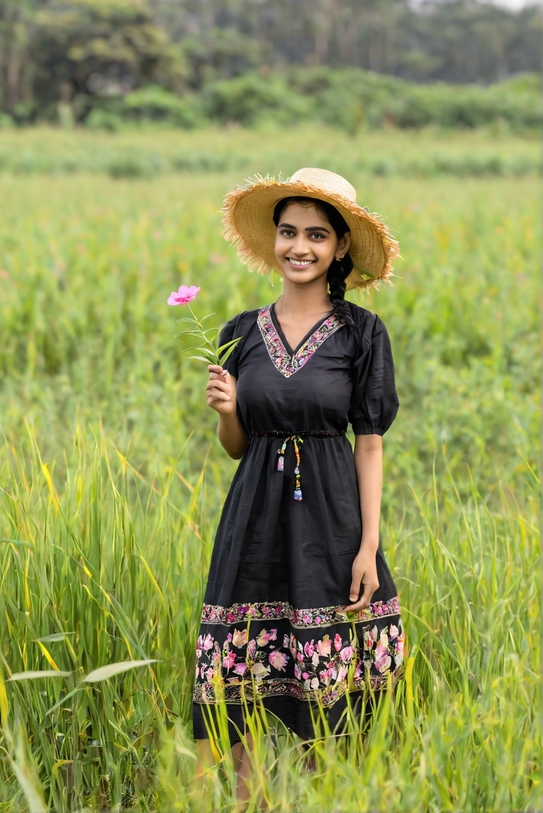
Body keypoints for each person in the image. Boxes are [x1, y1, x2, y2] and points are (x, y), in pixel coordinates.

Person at [194, 168, 406, 802]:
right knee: (245, 679)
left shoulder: (362, 332)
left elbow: (368, 441)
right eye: (288, 232)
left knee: (329, 688)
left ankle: (323, 800)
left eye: (316, 234)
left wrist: (367, 546)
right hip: (253, 517)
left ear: (340, 247)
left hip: (333, 518)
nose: (299, 247)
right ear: (274, 242)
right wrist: (228, 411)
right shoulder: (239, 331)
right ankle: (247, 801)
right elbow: (237, 449)